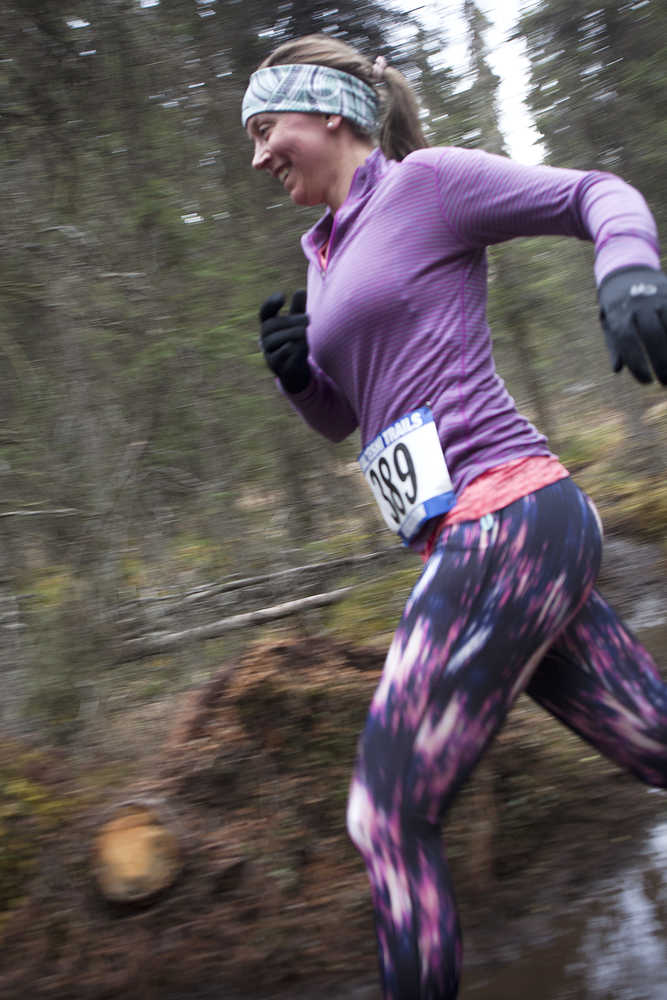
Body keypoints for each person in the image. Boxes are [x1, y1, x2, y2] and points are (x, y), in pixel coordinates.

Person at [242, 34, 667, 1000]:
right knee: (654, 741)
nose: (259, 155)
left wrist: (628, 270)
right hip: (488, 537)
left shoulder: (427, 185)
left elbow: (593, 191)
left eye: (268, 129)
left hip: (507, 516)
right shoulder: (321, 253)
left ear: (331, 113)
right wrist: (299, 376)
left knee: (386, 815)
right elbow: (348, 419)